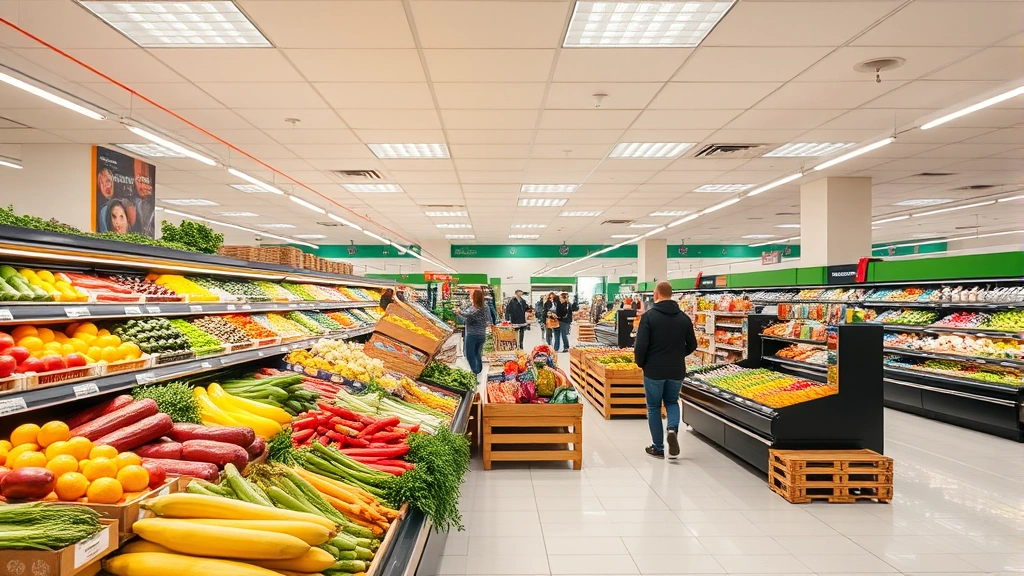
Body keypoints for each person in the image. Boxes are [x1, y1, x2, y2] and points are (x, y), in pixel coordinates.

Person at [634, 281, 698, 459]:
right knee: (672, 402)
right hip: (676, 369)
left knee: (654, 407)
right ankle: (672, 429)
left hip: (654, 369)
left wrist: (642, 363)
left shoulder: (649, 317)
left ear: (657, 294)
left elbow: (641, 346)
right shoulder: (683, 318)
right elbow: (693, 344)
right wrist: (679, 355)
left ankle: (658, 447)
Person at [455, 289, 490, 376]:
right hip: (481, 334)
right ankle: (479, 369)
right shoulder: (486, 307)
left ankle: (475, 371)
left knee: (469, 354)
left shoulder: (475, 308)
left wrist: (459, 312)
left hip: (472, 334)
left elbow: (467, 315)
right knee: (477, 353)